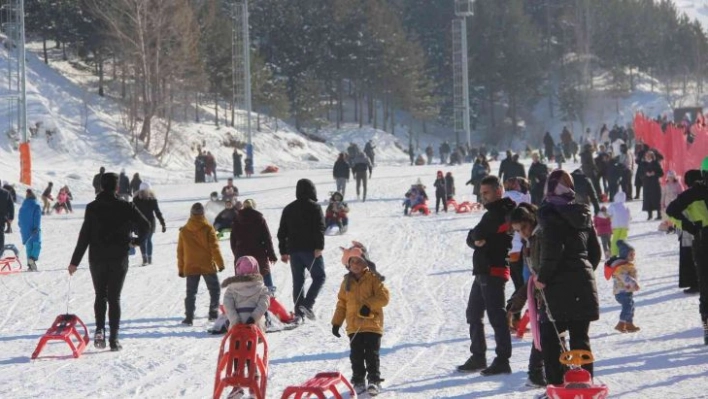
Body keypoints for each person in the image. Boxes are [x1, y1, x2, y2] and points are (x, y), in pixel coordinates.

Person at [68, 172, 151, 351]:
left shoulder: (92, 207)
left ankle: (99, 330)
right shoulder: (126, 206)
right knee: (114, 298)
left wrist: (74, 262)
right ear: (117, 187)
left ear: (100, 187)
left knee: (100, 295)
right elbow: (146, 226)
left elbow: (84, 236)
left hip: (97, 258)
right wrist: (136, 242)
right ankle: (113, 339)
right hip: (118, 258)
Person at [535, 170, 601, 386]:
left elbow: (552, 252)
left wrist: (542, 279)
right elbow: (596, 252)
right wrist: (583, 270)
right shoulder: (582, 213)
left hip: (557, 285)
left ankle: (556, 384)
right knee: (580, 337)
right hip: (582, 281)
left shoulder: (549, 214)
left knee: (551, 337)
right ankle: (585, 383)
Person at [458, 175, 515, 375]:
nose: (483, 197)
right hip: (482, 271)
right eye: (481, 193)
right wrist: (475, 239)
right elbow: (472, 236)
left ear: (498, 191)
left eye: (486, 193)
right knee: (473, 313)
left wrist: (476, 238)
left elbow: (478, 233)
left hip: (494, 269)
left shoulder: (502, 212)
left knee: (496, 317)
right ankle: (478, 356)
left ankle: (502, 360)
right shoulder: (492, 212)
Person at [332, 247, 390, 395]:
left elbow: (384, 298)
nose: (356, 265)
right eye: (353, 262)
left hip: (371, 324)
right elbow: (342, 303)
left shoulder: (373, 278)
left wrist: (368, 305)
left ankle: (373, 380)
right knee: (356, 355)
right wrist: (336, 322)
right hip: (353, 326)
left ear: (365, 263)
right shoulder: (346, 282)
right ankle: (358, 381)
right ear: (348, 264)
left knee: (371, 354)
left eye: (359, 261)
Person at [666, 158, 708, 345]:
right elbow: (671, 210)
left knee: (706, 287)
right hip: (703, 241)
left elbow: (672, 210)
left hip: (702, 240)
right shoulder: (694, 193)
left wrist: (691, 227)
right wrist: (691, 227)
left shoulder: (694, 193)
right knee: (706, 287)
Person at [220, 255, 271, 399]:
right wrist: (253, 318)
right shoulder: (260, 287)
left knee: (237, 353)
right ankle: (253, 381)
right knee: (250, 351)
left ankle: (237, 385)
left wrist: (235, 320)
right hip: (254, 327)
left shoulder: (232, 287)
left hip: (237, 327)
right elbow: (264, 303)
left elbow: (227, 304)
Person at [507, 203, 546, 388]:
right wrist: (517, 301)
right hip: (540, 295)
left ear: (531, 221)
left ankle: (538, 374)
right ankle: (537, 375)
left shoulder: (542, 237)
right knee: (544, 334)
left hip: (551, 295)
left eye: (523, 228)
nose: (521, 233)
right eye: (517, 231)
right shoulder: (528, 242)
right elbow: (532, 277)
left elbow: (542, 272)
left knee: (547, 334)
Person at [277, 179, 326, 321]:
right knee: (319, 276)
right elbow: (320, 228)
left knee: (298, 281)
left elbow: (282, 232)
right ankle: (307, 304)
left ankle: (299, 313)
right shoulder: (315, 207)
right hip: (310, 250)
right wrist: (319, 247)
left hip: (294, 251)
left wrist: (283, 251)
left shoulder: (289, 208)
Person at [177, 202, 225, 326]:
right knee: (214, 290)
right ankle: (213, 314)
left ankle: (189, 318)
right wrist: (220, 264)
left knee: (191, 293)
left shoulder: (184, 231)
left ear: (191, 214)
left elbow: (180, 252)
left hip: (191, 266)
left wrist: (181, 269)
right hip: (207, 265)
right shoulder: (208, 229)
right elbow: (215, 248)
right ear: (203, 213)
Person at [502, 178, 531, 327]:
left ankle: (514, 318)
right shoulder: (521, 200)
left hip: (509, 249)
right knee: (522, 286)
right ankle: (511, 316)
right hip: (520, 247)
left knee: (519, 284)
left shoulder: (502, 200)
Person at [231, 199, 278, 290]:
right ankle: (270, 295)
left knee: (241, 277)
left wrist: (236, 253)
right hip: (258, 253)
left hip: (241, 254)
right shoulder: (259, 219)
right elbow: (267, 238)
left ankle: (241, 298)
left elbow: (233, 240)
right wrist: (271, 255)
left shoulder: (236, 220)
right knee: (265, 273)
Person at [604, 240, 640, 333]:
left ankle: (629, 324)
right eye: (631, 254)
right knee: (627, 306)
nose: (633, 256)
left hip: (626, 291)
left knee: (631, 306)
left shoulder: (626, 265)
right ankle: (621, 323)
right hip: (621, 292)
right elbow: (625, 278)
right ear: (625, 255)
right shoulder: (620, 267)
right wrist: (634, 283)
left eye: (633, 254)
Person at [132, 182, 166, 266]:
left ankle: (145, 259)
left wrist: (132, 225)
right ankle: (148, 258)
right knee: (148, 240)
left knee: (142, 240)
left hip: (140, 223)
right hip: (150, 223)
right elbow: (158, 213)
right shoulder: (152, 200)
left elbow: (132, 213)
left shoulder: (136, 199)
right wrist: (162, 223)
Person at [18, 189, 41, 272]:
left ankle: (30, 266)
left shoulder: (22, 207)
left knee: (28, 247)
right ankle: (32, 258)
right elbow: (37, 218)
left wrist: (21, 227)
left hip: (24, 230)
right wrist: (36, 227)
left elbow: (19, 219)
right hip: (33, 230)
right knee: (36, 245)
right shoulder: (36, 206)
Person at [640, 151, 664, 220]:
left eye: (649, 156)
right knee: (648, 199)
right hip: (647, 184)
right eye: (646, 156)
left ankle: (659, 214)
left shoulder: (656, 163)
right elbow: (640, 174)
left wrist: (654, 173)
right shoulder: (643, 164)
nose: (647, 157)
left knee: (656, 198)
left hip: (655, 183)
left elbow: (661, 173)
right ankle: (649, 215)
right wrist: (645, 174)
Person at [607, 191, 631, 257]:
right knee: (622, 240)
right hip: (625, 226)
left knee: (615, 240)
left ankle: (614, 253)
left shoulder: (613, 205)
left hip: (616, 225)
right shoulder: (626, 206)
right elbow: (629, 216)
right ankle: (623, 252)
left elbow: (608, 214)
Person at [0, 183, 13, 251]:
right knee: (1, 233)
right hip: (2, 217)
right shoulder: (6, 193)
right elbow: (11, 206)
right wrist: (11, 217)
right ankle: (0, 250)